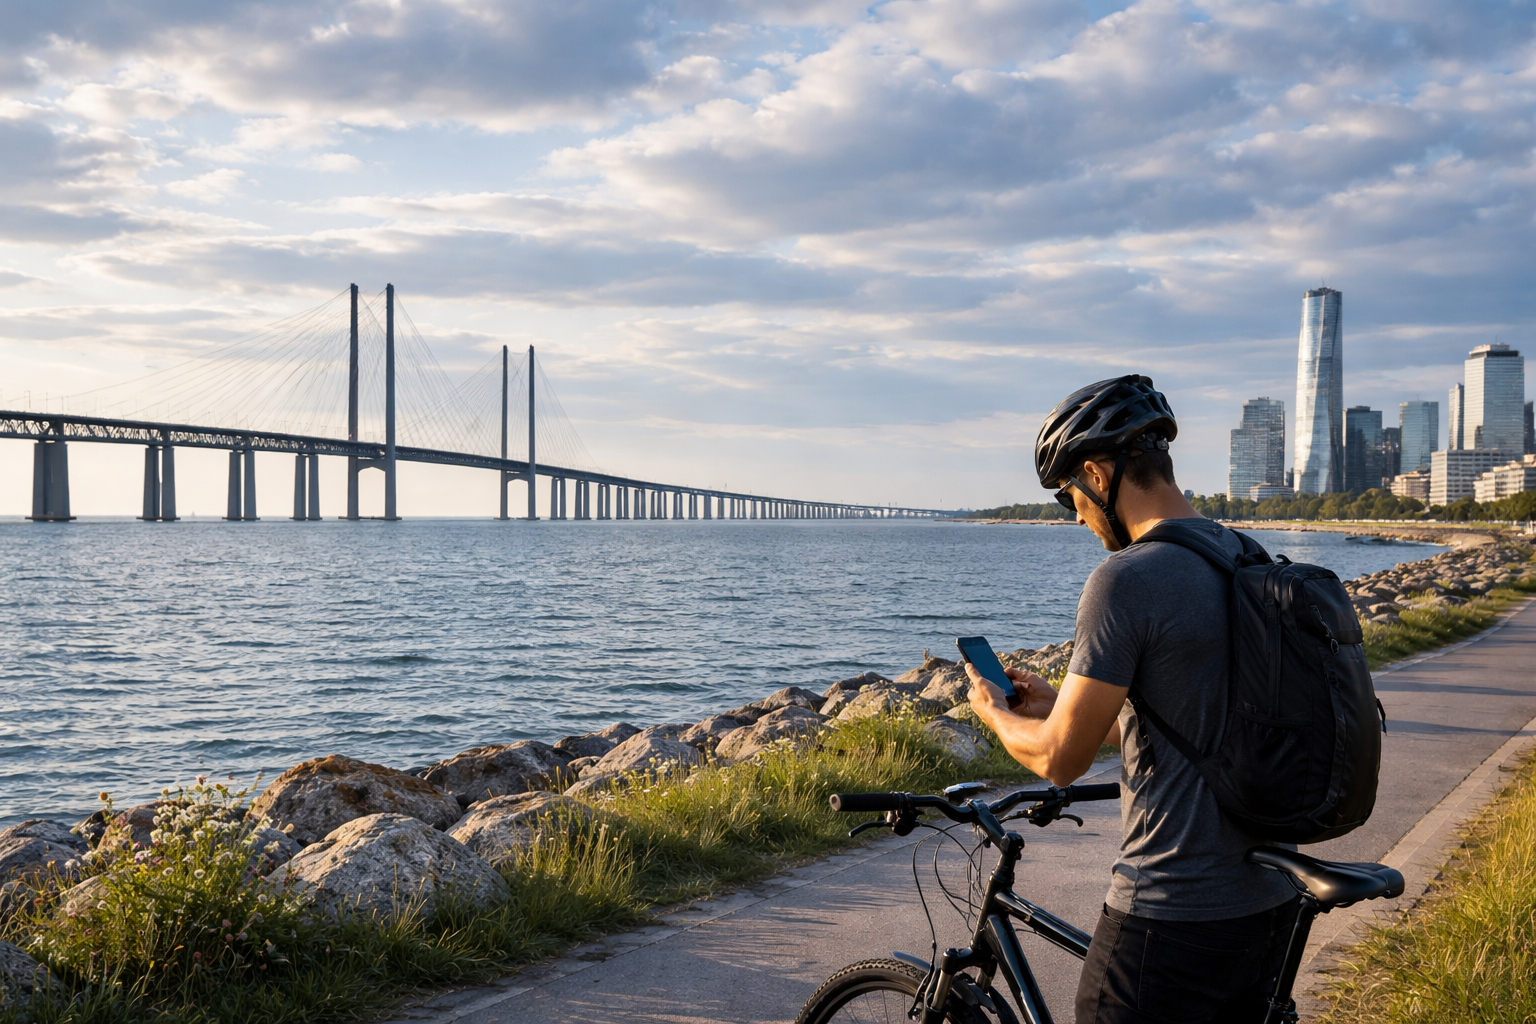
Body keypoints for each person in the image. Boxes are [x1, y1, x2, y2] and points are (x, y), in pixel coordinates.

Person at [963, 375, 1299, 1024]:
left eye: (1070, 499)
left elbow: (1059, 762)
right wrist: (1063, 702)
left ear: (1097, 472)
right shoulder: (1243, 556)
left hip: (1171, 910)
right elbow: (1196, 724)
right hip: (1266, 902)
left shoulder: (1126, 579)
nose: (1078, 517)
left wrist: (995, 713)